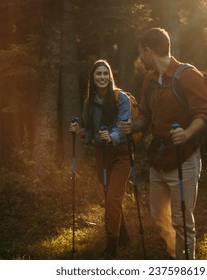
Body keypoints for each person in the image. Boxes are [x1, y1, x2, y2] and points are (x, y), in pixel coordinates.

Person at [119, 27, 207, 259]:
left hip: (184, 158)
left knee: (182, 220)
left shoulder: (189, 76)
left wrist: (187, 133)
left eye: (141, 52)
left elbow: (203, 115)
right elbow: (146, 115)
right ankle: (175, 255)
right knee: (158, 214)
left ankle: (184, 265)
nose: (140, 58)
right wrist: (134, 125)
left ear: (148, 51)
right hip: (158, 159)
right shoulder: (149, 80)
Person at [70, 59, 131, 259]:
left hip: (121, 153)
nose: (102, 77)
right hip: (101, 155)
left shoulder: (121, 98)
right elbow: (91, 130)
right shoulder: (89, 102)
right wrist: (80, 131)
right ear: (93, 78)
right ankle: (123, 234)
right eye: (98, 74)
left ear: (110, 76)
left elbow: (124, 125)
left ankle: (111, 246)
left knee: (113, 198)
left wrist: (111, 136)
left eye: (106, 73)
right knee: (109, 195)